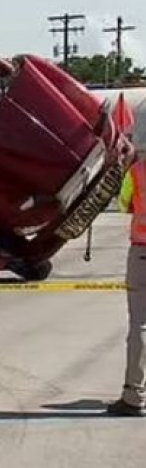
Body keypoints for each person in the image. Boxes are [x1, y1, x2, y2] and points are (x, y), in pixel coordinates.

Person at [107, 145, 146, 417]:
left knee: (140, 325)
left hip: (142, 253)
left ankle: (134, 394)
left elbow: (122, 205)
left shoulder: (138, 172)